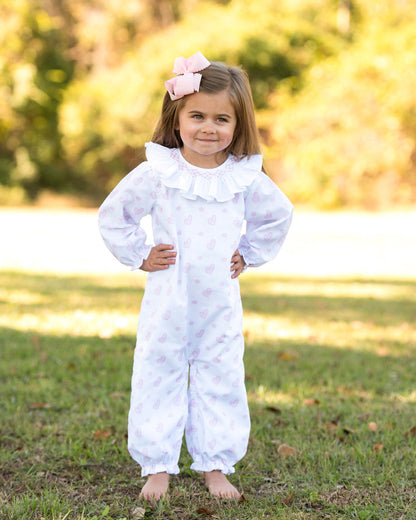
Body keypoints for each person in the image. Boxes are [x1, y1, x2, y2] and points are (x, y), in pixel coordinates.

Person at [98, 51, 293, 501]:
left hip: (218, 303)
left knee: (220, 374)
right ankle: (158, 467)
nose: (209, 128)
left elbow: (277, 216)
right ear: (177, 116)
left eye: (222, 119)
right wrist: (139, 253)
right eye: (198, 116)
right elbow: (116, 214)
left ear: (238, 124)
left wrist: (249, 252)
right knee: (158, 371)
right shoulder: (160, 172)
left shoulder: (243, 178)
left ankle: (216, 466)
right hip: (168, 298)